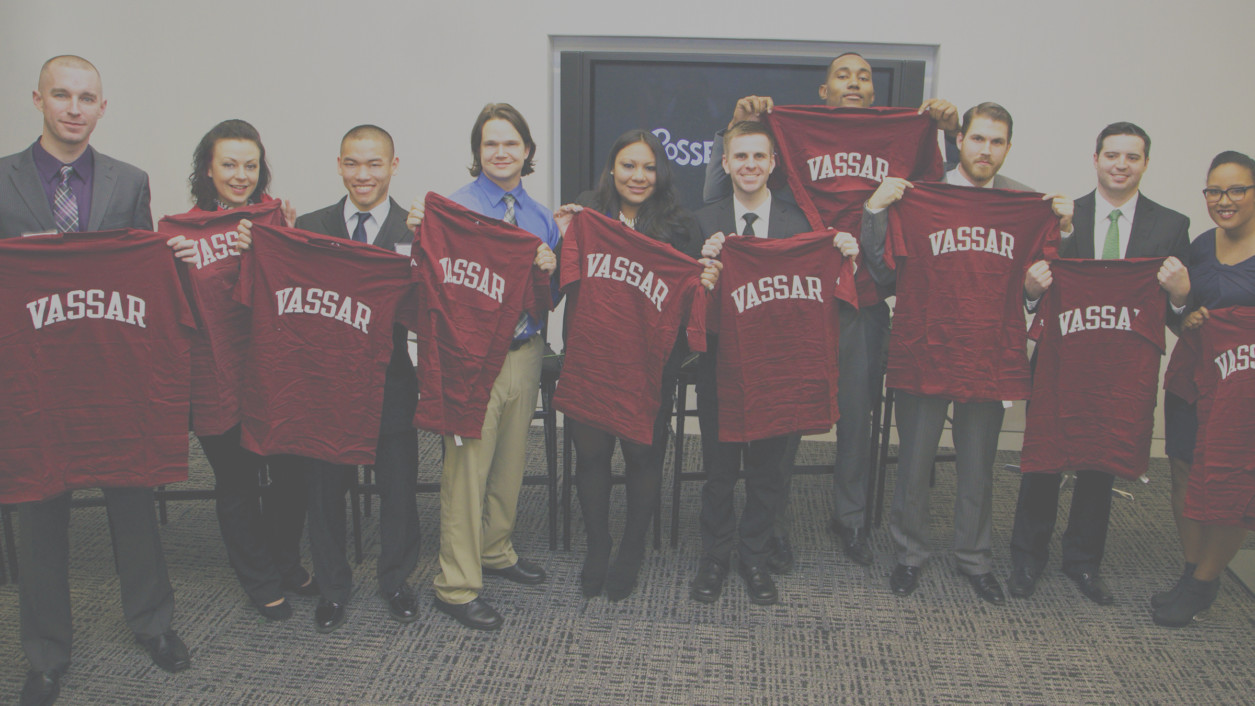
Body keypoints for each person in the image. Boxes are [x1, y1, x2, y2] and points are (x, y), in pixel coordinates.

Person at [703, 52, 962, 568]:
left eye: (863, 77)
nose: (853, 83)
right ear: (823, 92)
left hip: (862, 301)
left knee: (857, 419)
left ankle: (849, 519)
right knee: (786, 413)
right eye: (842, 75)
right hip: (795, 299)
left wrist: (947, 133)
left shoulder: (900, 135)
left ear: (874, 93)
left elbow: (940, 190)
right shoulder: (793, 133)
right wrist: (741, 125)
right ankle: (769, 526)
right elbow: (718, 194)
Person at [0, 55, 189, 706]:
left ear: (102, 108)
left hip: (113, 373)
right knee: (39, 509)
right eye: (62, 95)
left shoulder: (128, 182)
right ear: (38, 99)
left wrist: (174, 256)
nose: (74, 107)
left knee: (132, 497)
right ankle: (46, 656)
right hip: (33, 379)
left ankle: (153, 624)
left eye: (86, 97)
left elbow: (139, 270)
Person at [862, 102, 1073, 605]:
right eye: (978, 139)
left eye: (997, 142)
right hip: (925, 343)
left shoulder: (1025, 204)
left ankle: (974, 558)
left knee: (978, 463)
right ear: (960, 141)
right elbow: (884, 271)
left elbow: (1042, 285)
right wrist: (874, 211)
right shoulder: (923, 196)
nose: (986, 150)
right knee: (914, 459)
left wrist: (1059, 233)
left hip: (990, 348)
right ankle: (910, 554)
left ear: (1008, 148)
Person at [238, 125, 421, 633]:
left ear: (394, 165)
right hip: (322, 388)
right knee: (324, 493)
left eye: (374, 164)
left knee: (399, 491)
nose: (363, 175)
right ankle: (333, 588)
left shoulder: (415, 230)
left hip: (390, 384)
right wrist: (262, 242)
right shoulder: (309, 228)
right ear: (339, 165)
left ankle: (396, 581)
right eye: (353, 164)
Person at [1007, 122, 1190, 605]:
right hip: (1062, 359)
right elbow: (1030, 292)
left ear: (1145, 163)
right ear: (1095, 159)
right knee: (1045, 458)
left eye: (1132, 156)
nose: (1121, 165)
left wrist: (1180, 295)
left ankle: (1083, 562)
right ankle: (1026, 558)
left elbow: (1179, 315)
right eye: (1112, 155)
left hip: (1120, 368)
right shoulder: (1062, 216)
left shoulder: (1171, 226)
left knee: (1100, 463)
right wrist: (1030, 291)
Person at [407, 103, 558, 630]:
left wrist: (549, 268)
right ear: (477, 152)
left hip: (526, 350)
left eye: (511, 143)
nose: (501, 152)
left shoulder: (540, 218)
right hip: (470, 358)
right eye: (490, 143)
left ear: (528, 151)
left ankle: (496, 550)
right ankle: (456, 584)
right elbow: (425, 280)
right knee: (467, 470)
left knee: (511, 463)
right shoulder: (450, 210)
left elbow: (550, 297)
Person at [554, 129, 719, 602]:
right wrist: (562, 233)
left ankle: (632, 547)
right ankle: (599, 546)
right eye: (628, 165)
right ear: (612, 169)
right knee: (591, 456)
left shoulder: (681, 226)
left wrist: (703, 278)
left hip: (648, 364)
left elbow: (689, 299)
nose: (638, 176)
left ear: (661, 173)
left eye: (648, 167)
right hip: (589, 357)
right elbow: (562, 276)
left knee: (642, 455)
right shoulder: (587, 212)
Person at [163, 119, 313, 623]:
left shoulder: (273, 221)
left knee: (293, 474)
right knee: (237, 481)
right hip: (214, 374)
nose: (240, 175)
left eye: (250, 165)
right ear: (208, 168)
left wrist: (282, 240)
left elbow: (296, 290)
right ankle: (259, 579)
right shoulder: (177, 234)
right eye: (229, 164)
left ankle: (284, 561)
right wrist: (168, 265)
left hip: (274, 371)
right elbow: (164, 306)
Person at [689, 120, 827, 604]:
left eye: (759, 157)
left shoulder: (801, 224)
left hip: (781, 369)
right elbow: (682, 299)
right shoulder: (702, 222)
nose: (749, 165)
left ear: (773, 164)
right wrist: (700, 271)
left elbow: (818, 288)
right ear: (725, 164)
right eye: (740, 157)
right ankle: (715, 557)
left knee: (770, 472)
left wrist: (843, 251)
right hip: (722, 365)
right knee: (720, 471)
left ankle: (754, 555)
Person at [1153, 150, 1255, 626]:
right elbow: (1181, 310)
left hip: (1244, 389)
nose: (1224, 200)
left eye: (1236, 190)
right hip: (1195, 377)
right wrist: (1185, 312)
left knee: (1233, 480)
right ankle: (1191, 570)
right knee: (1184, 468)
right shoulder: (1199, 245)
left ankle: (1206, 581)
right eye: (1214, 190)